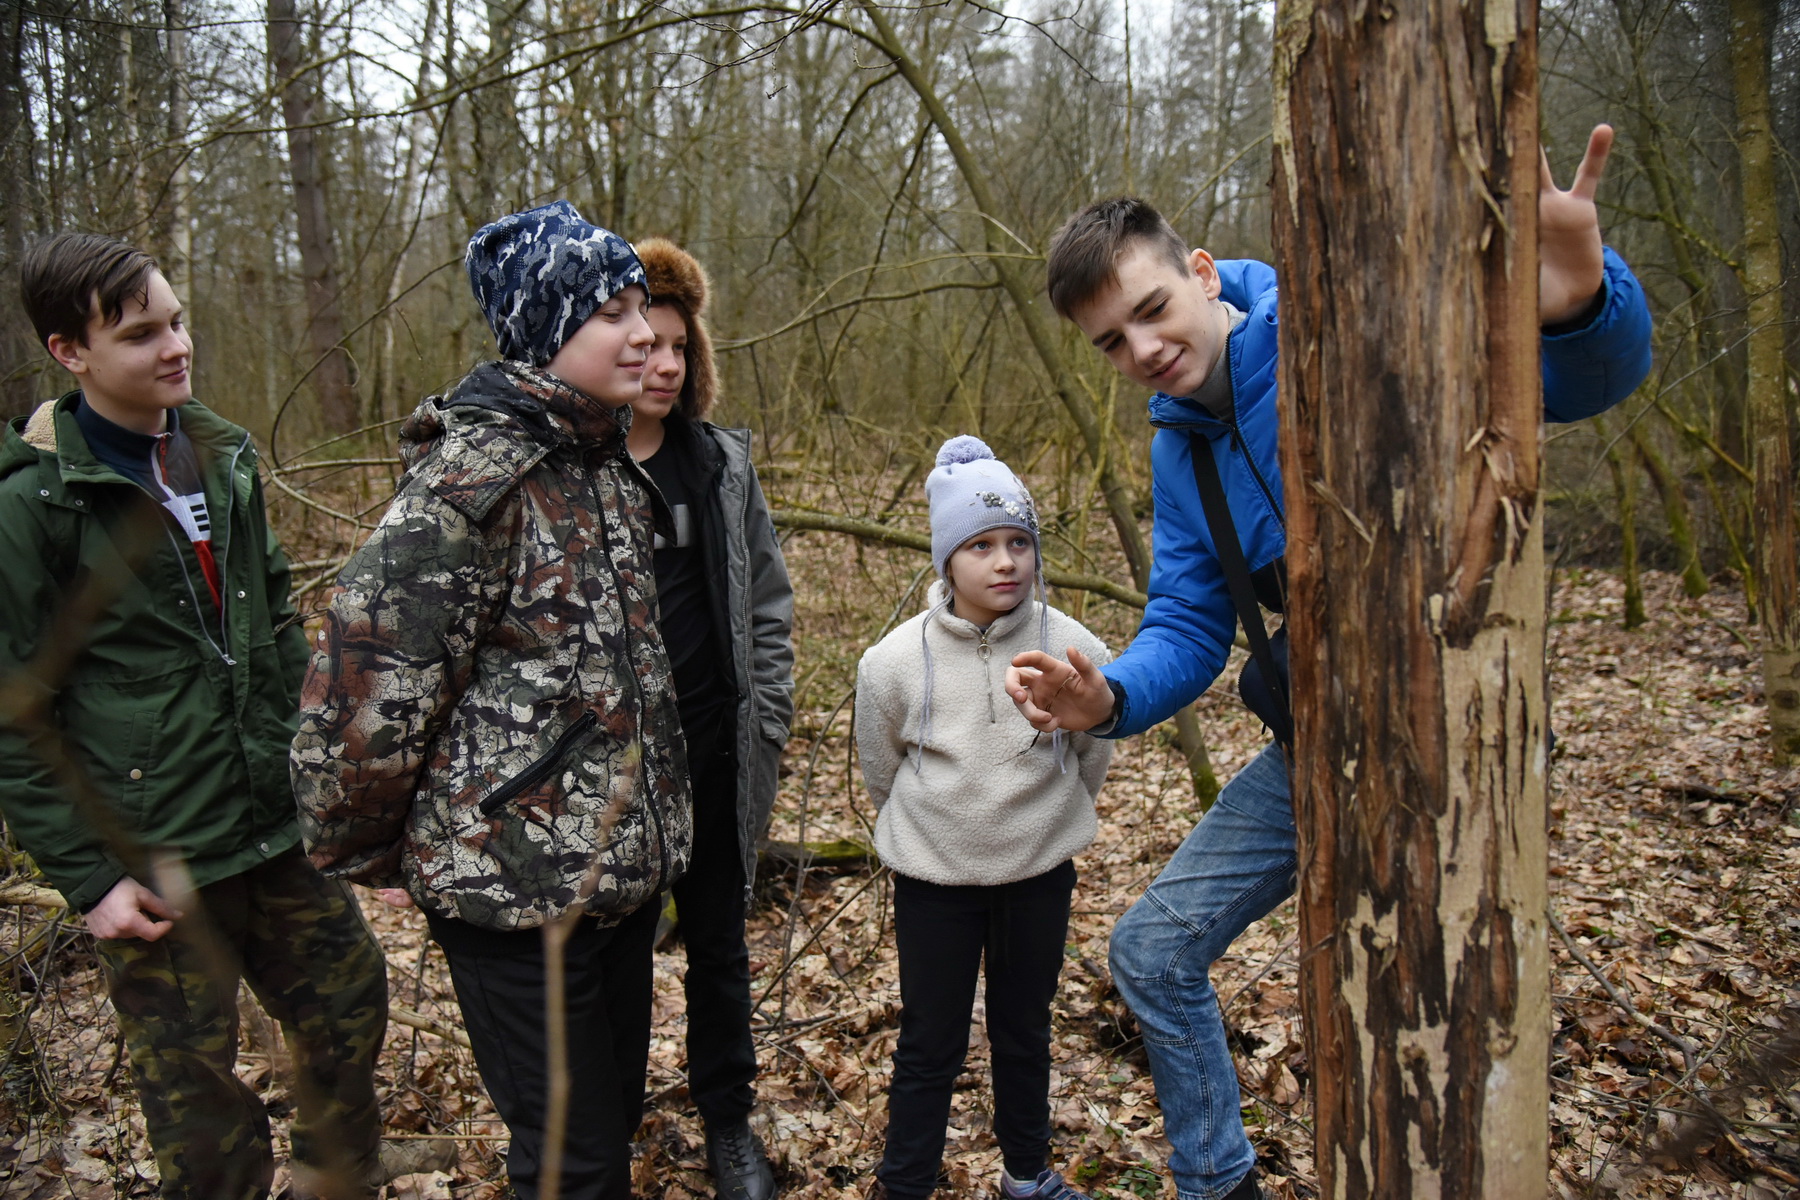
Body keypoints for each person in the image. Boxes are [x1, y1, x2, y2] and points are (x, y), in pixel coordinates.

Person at [1003, 129, 1655, 1200]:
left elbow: (1571, 385)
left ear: (1201, 272)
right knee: (1151, 952)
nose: (1144, 349)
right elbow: (1188, 622)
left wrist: (1581, 296)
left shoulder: (1338, 325)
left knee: (1430, 1006)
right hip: (1318, 745)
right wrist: (1108, 695)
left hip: (1452, 736)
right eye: (1112, 342)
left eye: (1153, 309)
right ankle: (1221, 1185)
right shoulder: (1179, 447)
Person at [291, 201, 691, 1200]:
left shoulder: (606, 470)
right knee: (571, 1164)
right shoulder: (473, 485)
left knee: (607, 1131)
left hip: (610, 886)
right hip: (509, 897)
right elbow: (367, 687)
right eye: (612, 315)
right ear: (545, 332)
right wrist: (374, 850)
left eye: (642, 310)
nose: (643, 334)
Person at [0, 233, 388, 1199]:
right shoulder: (33, 504)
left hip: (274, 823)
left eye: (177, 322)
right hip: (156, 853)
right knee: (195, 1098)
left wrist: (322, 778)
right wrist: (90, 878)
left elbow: (276, 631)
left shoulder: (221, 453)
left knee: (348, 1004)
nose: (176, 346)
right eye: (141, 334)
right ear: (69, 351)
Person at [855, 437, 1115, 1200]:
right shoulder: (892, 663)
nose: (1005, 563)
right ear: (946, 558)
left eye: (1018, 543)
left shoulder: (1073, 647)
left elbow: (1093, 749)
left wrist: (1053, 819)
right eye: (981, 546)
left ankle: (1027, 1174)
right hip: (934, 883)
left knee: (1024, 1030)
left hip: (1038, 876)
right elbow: (882, 769)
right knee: (929, 1040)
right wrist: (928, 830)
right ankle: (905, 1183)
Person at [626, 238, 793, 1200]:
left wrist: (766, 723)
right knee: (616, 959)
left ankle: (729, 1122)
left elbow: (768, 602)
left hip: (717, 760)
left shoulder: (720, 465)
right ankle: (607, 1122)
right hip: (614, 782)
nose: (664, 364)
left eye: (679, 347)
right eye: (647, 344)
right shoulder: (580, 469)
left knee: (720, 953)